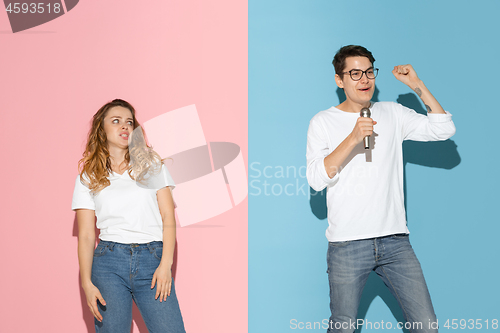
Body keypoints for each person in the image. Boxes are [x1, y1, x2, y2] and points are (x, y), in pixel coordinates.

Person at [306, 45, 456, 333]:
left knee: (426, 327)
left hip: (395, 242)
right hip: (347, 244)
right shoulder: (322, 122)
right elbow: (316, 178)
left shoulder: (393, 113)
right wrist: (352, 138)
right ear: (340, 80)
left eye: (369, 72)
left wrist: (418, 86)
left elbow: (443, 129)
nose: (364, 79)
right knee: (343, 328)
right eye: (355, 73)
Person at [71, 99, 186, 332]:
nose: (124, 126)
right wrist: (87, 284)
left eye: (129, 122)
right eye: (116, 121)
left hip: (152, 260)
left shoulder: (152, 166)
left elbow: (168, 218)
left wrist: (166, 265)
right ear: (101, 130)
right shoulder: (88, 176)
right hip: (109, 263)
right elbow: (85, 235)